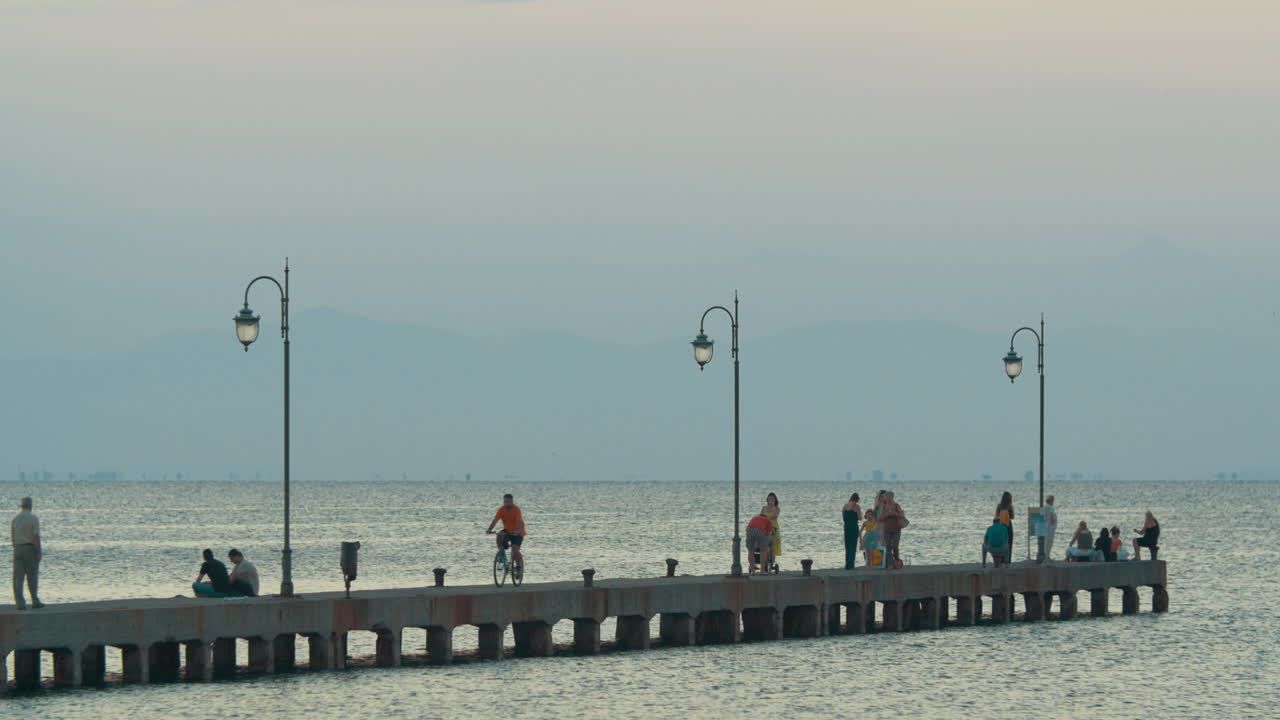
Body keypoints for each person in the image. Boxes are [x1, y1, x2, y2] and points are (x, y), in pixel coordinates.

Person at [11, 496, 43, 610]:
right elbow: (35, 537)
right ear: (30, 506)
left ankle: (20, 603)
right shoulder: (33, 519)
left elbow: (13, 538)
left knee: (17, 578)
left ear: (22, 506)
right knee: (32, 576)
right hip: (29, 548)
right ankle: (34, 601)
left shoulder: (15, 519)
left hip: (18, 549)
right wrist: (38, 552)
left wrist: (16, 548)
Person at [485, 493, 526, 570]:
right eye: (505, 502)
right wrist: (489, 529)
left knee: (515, 550)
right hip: (507, 530)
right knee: (499, 535)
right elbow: (495, 520)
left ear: (512, 502)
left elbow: (519, 522)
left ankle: (518, 566)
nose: (506, 504)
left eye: (508, 502)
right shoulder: (501, 510)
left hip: (519, 532)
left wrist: (516, 531)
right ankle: (501, 556)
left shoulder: (516, 510)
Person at [878, 491, 907, 569]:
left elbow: (902, 515)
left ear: (893, 497)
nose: (888, 499)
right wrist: (886, 515)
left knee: (895, 546)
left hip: (896, 529)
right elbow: (879, 518)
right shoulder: (883, 507)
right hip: (886, 530)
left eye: (889, 497)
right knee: (888, 547)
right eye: (886, 497)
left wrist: (895, 514)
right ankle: (890, 564)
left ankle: (897, 560)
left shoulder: (897, 506)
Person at [763, 492, 781, 573]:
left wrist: (773, 506)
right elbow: (761, 516)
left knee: (772, 548)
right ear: (767, 499)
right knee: (765, 546)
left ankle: (771, 566)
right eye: (769, 499)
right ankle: (764, 563)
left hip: (774, 529)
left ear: (775, 500)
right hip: (764, 528)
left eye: (772, 499)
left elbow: (774, 516)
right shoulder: (763, 508)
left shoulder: (776, 508)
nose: (770, 500)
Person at [842, 493, 861, 570]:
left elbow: (843, 518)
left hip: (846, 527)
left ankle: (847, 565)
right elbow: (860, 517)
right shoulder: (856, 506)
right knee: (853, 546)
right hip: (853, 527)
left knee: (847, 546)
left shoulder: (845, 506)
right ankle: (851, 565)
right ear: (857, 499)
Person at [996, 492, 1015, 559]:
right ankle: (1008, 559)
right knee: (1009, 543)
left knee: (1001, 543)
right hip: (1008, 526)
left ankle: (1001, 559)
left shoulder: (999, 506)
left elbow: (996, 516)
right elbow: (1012, 517)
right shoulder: (1010, 506)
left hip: (1000, 526)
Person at [1040, 495, 1057, 563]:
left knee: (1045, 542)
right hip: (1050, 527)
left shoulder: (1044, 507)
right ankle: (1047, 556)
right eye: (1053, 500)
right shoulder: (1050, 507)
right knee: (1049, 542)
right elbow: (1052, 516)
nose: (1053, 502)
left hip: (1045, 527)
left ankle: (1046, 556)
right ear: (1051, 501)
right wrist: (1053, 522)